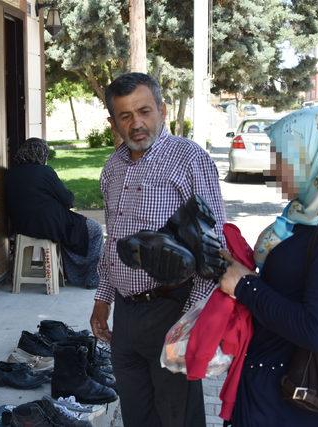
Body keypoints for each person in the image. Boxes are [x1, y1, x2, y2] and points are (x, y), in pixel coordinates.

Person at [218, 108, 318, 426]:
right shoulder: (307, 215)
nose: (272, 170)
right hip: (264, 389)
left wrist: (245, 286)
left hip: (289, 403)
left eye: (281, 158)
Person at [89, 72, 227, 426]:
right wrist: (102, 299)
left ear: (162, 110)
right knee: (136, 414)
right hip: (127, 313)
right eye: (125, 115)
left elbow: (216, 246)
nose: (137, 123)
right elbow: (113, 239)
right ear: (113, 122)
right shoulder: (113, 167)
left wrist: (190, 316)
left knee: (178, 416)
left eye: (144, 111)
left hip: (172, 308)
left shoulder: (189, 159)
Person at [5, 137, 104, 289]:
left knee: (69, 231)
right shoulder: (44, 172)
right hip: (49, 226)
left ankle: (72, 274)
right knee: (95, 229)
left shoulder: (11, 174)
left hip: (22, 227)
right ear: (42, 154)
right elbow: (67, 199)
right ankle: (91, 278)